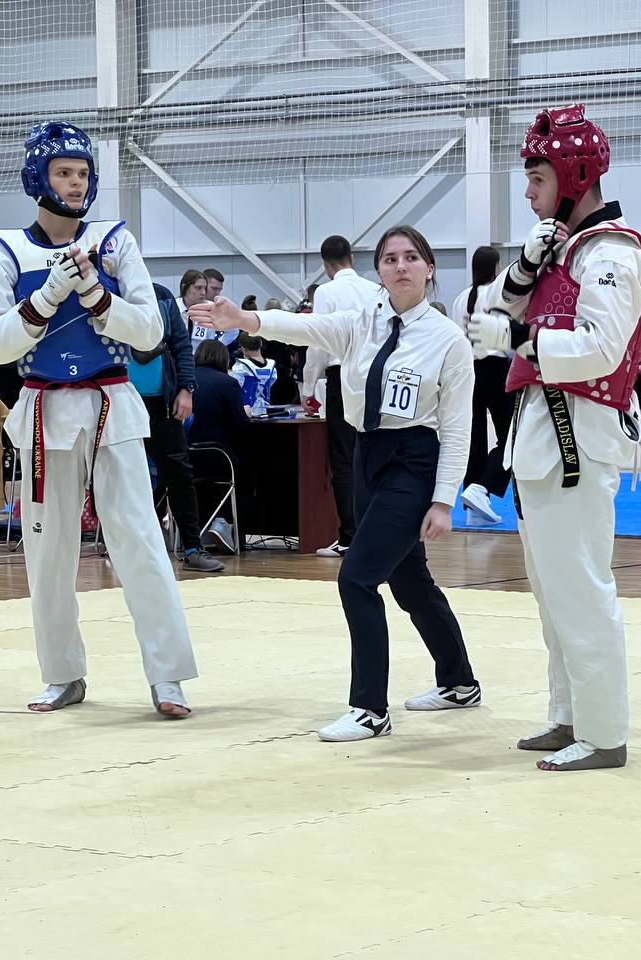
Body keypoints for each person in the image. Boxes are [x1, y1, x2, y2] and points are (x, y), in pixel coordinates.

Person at [194, 224, 479, 742]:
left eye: (412, 257)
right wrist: (245, 319)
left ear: (430, 268)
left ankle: (370, 709)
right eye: (390, 258)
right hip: (367, 455)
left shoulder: (448, 341)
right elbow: (305, 329)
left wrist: (443, 500)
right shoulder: (363, 322)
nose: (400, 266)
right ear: (379, 271)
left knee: (357, 578)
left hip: (414, 461)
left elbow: (458, 426)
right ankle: (459, 681)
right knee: (410, 580)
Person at [0, 120, 198, 717]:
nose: (75, 184)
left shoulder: (115, 242)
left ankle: (167, 675)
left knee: (140, 541)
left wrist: (99, 294)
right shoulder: (4, 249)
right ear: (37, 179)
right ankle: (62, 673)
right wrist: (45, 297)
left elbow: (151, 332)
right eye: (63, 173)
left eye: (81, 174)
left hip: (111, 405)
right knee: (48, 553)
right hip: (45, 408)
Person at [466, 103, 641, 771]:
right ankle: (569, 714)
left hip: (579, 431)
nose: (528, 190)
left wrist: (517, 337)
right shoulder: (562, 250)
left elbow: (602, 348)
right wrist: (522, 269)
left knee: (580, 589)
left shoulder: (612, 252)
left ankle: (603, 733)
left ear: (573, 177)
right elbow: (487, 313)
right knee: (551, 594)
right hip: (540, 434)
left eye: (537, 177)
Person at [132, 282, 224, 572]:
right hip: (121, 404)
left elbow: (182, 346)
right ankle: (126, 546)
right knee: (121, 476)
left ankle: (193, 548)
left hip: (163, 402)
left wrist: (186, 389)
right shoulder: (104, 292)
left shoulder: (160, 296)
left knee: (179, 474)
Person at [299, 235, 378, 557]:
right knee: (372, 455)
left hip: (342, 374)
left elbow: (318, 341)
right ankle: (374, 533)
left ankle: (349, 536)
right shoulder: (374, 290)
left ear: (325, 264)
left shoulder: (327, 292)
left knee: (343, 460)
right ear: (351, 258)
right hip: (375, 376)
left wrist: (307, 386)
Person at [452, 245, 514, 526]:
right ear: (497, 266)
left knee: (473, 439)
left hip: (469, 370)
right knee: (513, 437)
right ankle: (484, 487)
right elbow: (511, 338)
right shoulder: (501, 295)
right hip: (498, 368)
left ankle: (472, 506)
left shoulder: (461, 298)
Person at [189, 339, 251, 553]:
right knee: (246, 472)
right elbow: (240, 423)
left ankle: (195, 530)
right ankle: (223, 522)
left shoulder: (183, 381)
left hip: (185, 455)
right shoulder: (227, 383)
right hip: (217, 455)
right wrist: (246, 413)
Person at [230, 333, 277, 417]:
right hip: (265, 411)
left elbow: (234, 389)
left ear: (243, 348)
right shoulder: (272, 367)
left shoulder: (240, 367)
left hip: (244, 412)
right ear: (261, 344)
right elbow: (270, 383)